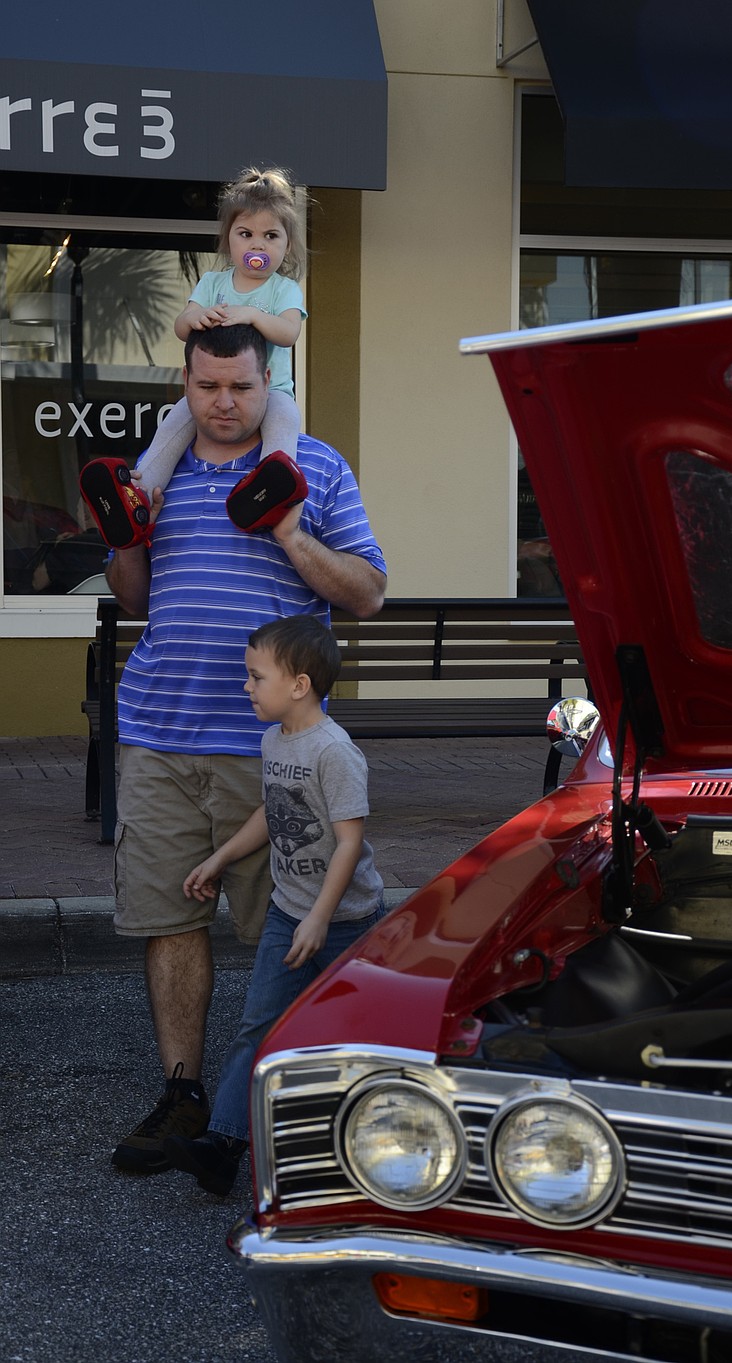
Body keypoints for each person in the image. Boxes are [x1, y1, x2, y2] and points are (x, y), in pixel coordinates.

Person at [105, 321, 386, 1178]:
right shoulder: (159, 473)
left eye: (241, 387)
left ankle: (279, 1109)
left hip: (276, 752)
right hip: (158, 730)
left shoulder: (317, 466)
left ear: (271, 385)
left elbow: (369, 592)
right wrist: (122, 536)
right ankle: (186, 1095)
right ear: (184, 386)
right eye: (206, 387)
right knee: (169, 920)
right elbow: (133, 593)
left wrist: (293, 533)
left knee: (287, 935)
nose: (224, 402)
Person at [163, 614, 386, 1195]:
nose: (246, 687)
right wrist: (220, 859)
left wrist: (320, 918)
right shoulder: (273, 740)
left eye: (255, 677)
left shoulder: (335, 752)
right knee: (256, 1025)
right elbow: (272, 811)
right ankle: (222, 1146)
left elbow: (348, 842)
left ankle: (367, 1148)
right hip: (289, 914)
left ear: (299, 685)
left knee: (353, 1036)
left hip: (345, 925)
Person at [80, 166, 307, 549]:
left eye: (271, 236)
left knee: (285, 429)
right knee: (172, 428)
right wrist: (195, 316)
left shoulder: (282, 289)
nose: (258, 245)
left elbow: (289, 332)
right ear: (229, 240)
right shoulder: (213, 283)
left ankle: (267, 493)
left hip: (273, 393)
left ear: (287, 244)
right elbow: (183, 325)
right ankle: (136, 493)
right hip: (214, 386)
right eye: (246, 234)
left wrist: (251, 314)